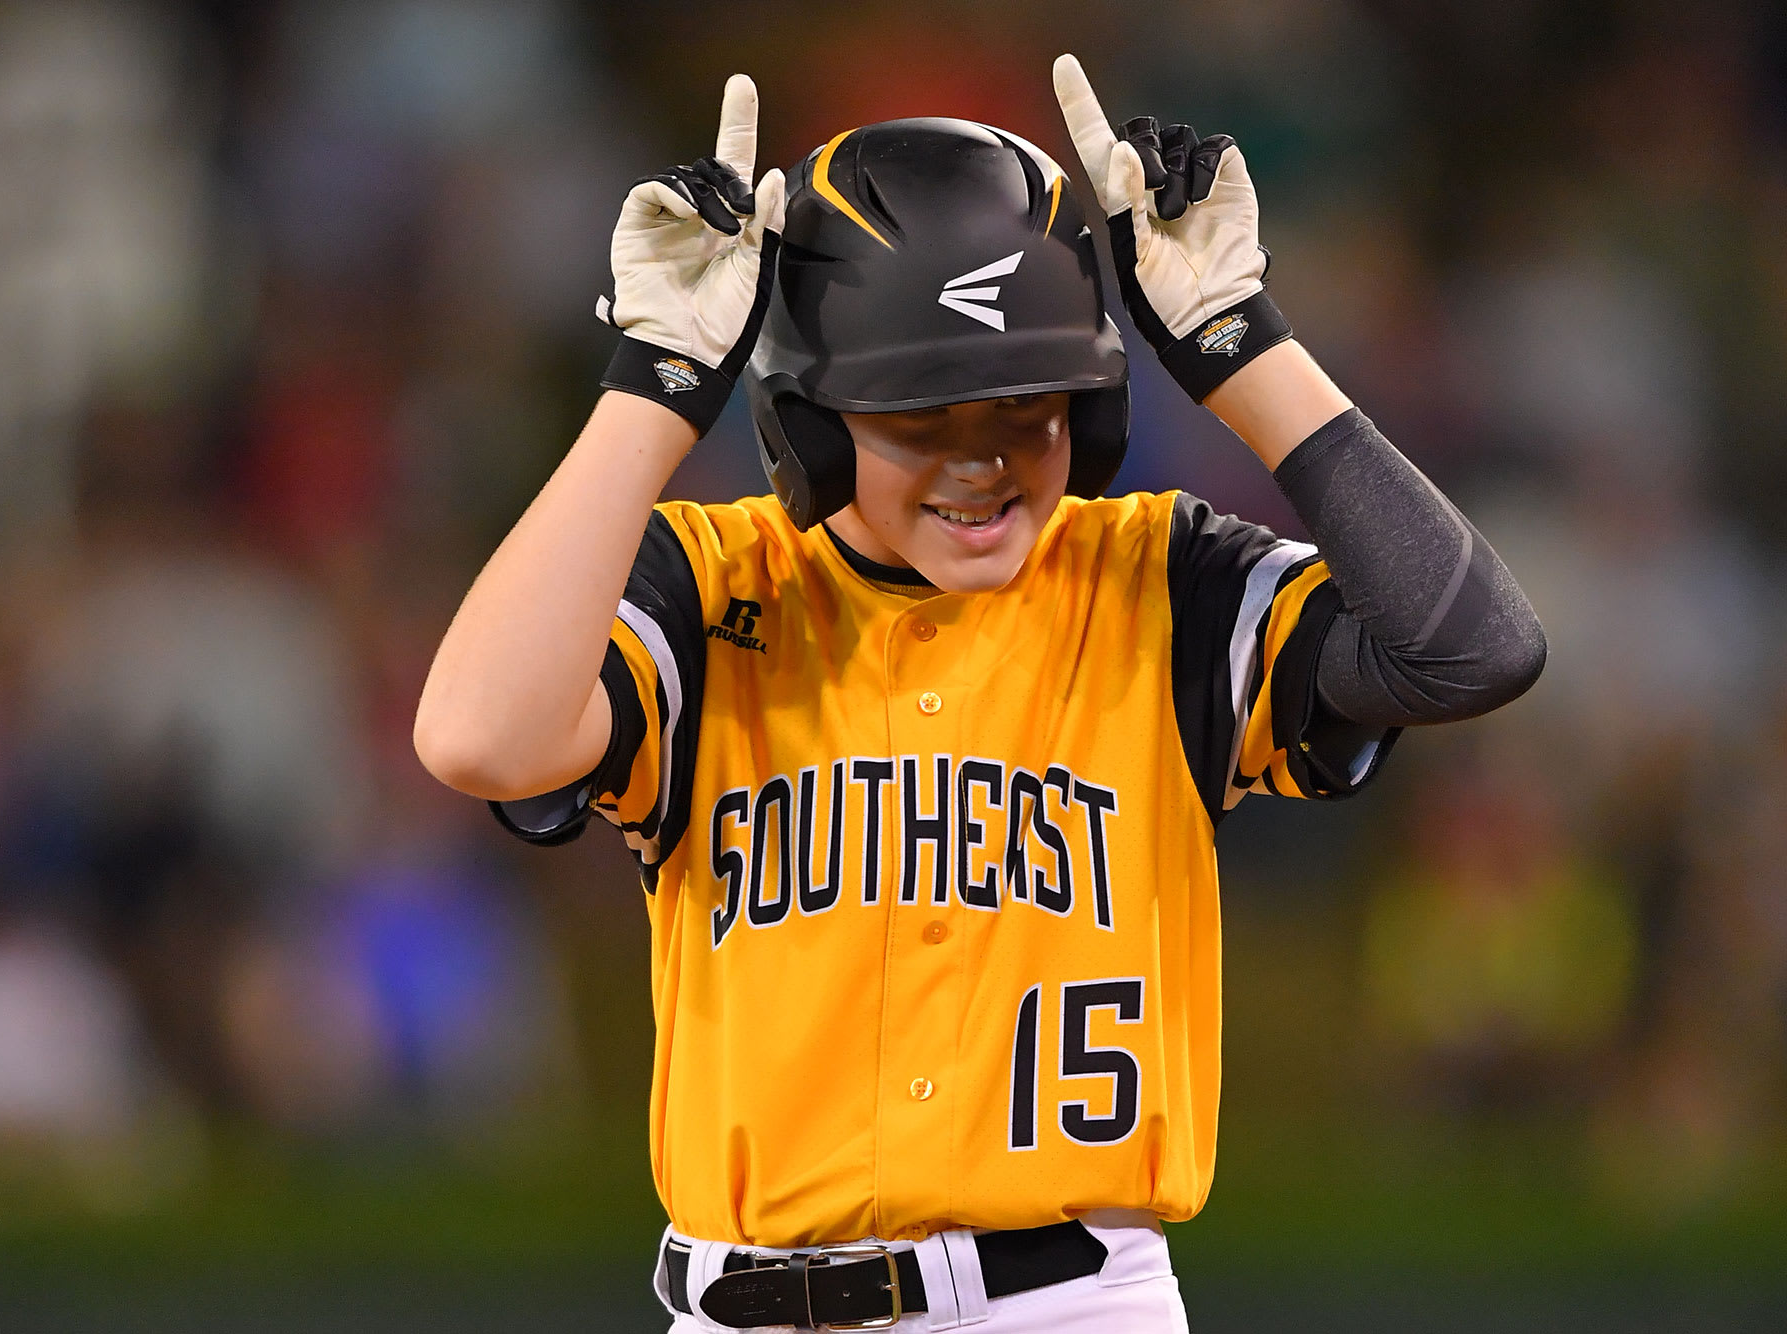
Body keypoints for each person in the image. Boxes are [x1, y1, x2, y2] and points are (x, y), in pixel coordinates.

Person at [416, 56, 1545, 1334]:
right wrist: (651, 392)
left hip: (1068, 1303)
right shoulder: (715, 580)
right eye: (922, 415)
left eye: (1027, 406)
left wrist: (1243, 348)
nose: (985, 460)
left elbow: (1469, 649)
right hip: (741, 1302)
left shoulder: (1156, 577)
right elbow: (478, 736)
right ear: (818, 420)